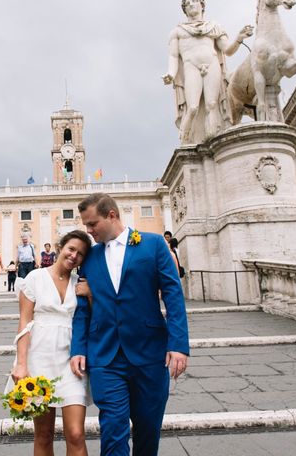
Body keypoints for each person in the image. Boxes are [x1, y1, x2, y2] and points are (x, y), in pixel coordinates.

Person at [70, 193, 189, 455]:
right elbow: (82, 310)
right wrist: (78, 347)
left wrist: (178, 344)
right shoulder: (90, 257)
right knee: (112, 428)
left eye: (92, 224)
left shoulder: (154, 245)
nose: (88, 231)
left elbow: (173, 297)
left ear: (111, 215)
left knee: (147, 429)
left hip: (149, 353)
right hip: (105, 355)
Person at [7, 230, 92, 455]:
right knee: (43, 434)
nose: (74, 256)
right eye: (71, 249)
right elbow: (25, 322)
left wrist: (91, 294)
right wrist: (21, 363)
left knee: (75, 433)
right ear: (60, 247)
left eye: (81, 254)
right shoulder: (34, 278)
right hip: (39, 357)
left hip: (71, 360)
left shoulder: (81, 283)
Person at [163, 0, 253, 144]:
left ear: (202, 5)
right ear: (184, 10)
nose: (191, 4)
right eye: (187, 3)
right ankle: (186, 140)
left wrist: (238, 39)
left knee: (212, 104)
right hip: (191, 66)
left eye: (194, 1)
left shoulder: (213, 26)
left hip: (211, 64)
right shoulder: (178, 31)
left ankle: (213, 142)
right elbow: (173, 56)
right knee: (192, 107)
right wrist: (171, 73)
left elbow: (227, 50)